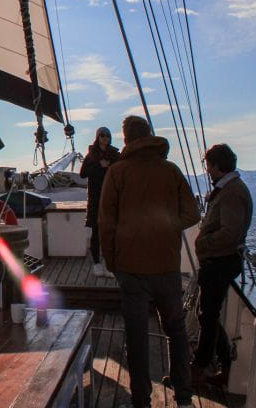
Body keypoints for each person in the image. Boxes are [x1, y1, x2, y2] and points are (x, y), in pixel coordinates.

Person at [100, 115, 201, 408]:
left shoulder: (118, 173)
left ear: (127, 139)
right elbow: (192, 214)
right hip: (167, 266)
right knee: (176, 330)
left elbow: (106, 223)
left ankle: (141, 400)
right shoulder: (170, 171)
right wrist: (168, 226)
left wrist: (111, 261)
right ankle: (183, 396)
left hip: (130, 268)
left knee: (137, 336)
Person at [192, 143, 253, 386]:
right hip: (218, 261)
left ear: (216, 166)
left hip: (220, 262)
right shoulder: (229, 190)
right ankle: (224, 366)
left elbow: (230, 232)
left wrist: (204, 243)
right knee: (207, 314)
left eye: (208, 165)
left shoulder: (233, 192)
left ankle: (200, 369)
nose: (207, 170)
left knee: (207, 316)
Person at [79, 126, 120, 277]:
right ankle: (97, 263)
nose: (105, 138)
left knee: (111, 232)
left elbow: (121, 170)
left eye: (107, 135)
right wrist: (99, 165)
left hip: (112, 197)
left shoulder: (115, 155)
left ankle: (109, 265)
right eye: (102, 135)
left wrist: (110, 166)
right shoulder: (91, 156)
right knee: (96, 232)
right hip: (96, 198)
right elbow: (83, 174)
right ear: (97, 137)